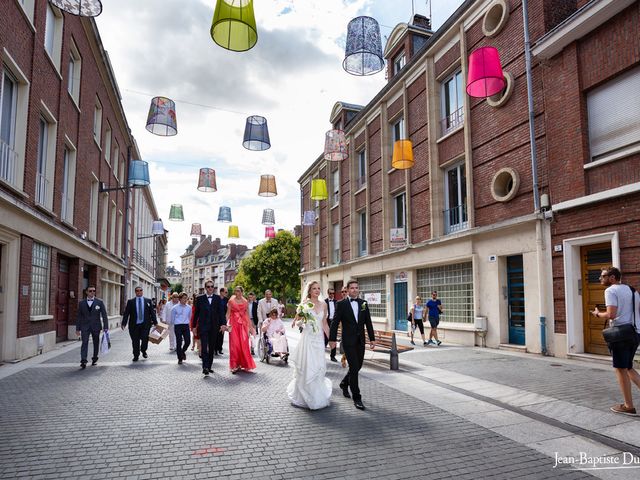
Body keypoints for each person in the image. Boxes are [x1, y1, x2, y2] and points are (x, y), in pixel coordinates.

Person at [592, 267, 640, 415]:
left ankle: (628, 406)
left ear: (612, 277)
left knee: (621, 369)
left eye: (602, 276)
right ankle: (628, 404)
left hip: (621, 336)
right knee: (629, 367)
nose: (600, 279)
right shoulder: (633, 290)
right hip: (635, 332)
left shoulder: (610, 291)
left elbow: (611, 314)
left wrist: (598, 314)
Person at [329, 279, 375, 410]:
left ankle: (344, 383)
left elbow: (368, 322)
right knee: (354, 368)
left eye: (356, 287)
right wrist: (332, 339)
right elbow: (335, 322)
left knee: (357, 367)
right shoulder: (341, 304)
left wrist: (372, 339)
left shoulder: (363, 303)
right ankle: (357, 398)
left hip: (360, 341)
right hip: (348, 342)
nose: (355, 290)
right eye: (352, 288)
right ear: (348, 290)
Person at [287, 281, 332, 410]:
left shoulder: (324, 304)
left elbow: (324, 323)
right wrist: (301, 322)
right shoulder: (304, 305)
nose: (317, 290)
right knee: (308, 366)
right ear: (310, 291)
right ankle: (305, 396)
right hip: (308, 339)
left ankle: (317, 395)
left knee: (318, 366)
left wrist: (331, 339)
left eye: (319, 288)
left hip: (318, 340)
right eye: (314, 288)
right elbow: (298, 321)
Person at [193, 281, 226, 375]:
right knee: (204, 347)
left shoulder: (218, 298)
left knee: (212, 347)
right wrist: (194, 326)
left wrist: (223, 324)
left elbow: (221, 313)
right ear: (205, 288)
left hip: (214, 327)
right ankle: (205, 367)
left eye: (212, 287)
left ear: (214, 288)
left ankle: (209, 366)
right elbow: (196, 314)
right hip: (203, 326)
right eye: (208, 287)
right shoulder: (200, 299)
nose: (210, 288)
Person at [75, 286, 109, 369]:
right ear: (86, 292)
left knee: (96, 342)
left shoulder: (99, 302)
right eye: (90, 291)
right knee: (84, 342)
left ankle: (94, 358)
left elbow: (104, 315)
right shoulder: (81, 303)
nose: (92, 292)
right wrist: (77, 329)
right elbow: (79, 316)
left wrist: (106, 327)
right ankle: (83, 360)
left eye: (94, 291)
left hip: (96, 326)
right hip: (84, 326)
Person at [121, 286, 157, 361]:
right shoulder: (131, 302)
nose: (139, 292)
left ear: (142, 291)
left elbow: (152, 313)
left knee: (145, 339)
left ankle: (143, 350)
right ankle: (136, 355)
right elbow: (126, 313)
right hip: (134, 325)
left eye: (140, 290)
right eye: (137, 291)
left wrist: (156, 323)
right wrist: (124, 323)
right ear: (135, 292)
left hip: (145, 325)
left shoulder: (148, 301)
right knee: (135, 341)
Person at [227, 286, 256, 373]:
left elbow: (247, 315)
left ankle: (242, 364)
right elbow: (228, 313)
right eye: (235, 291)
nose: (237, 293)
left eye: (239, 291)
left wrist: (250, 327)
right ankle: (234, 365)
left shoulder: (245, 302)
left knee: (243, 344)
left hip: (243, 325)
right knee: (234, 344)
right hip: (233, 324)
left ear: (242, 292)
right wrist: (224, 324)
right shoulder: (231, 301)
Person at [171, 292, 192, 365]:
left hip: (185, 325)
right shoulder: (174, 308)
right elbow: (172, 319)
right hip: (178, 326)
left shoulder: (189, 307)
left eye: (186, 298)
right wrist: (175, 324)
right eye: (183, 298)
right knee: (179, 342)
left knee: (188, 341)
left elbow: (190, 317)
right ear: (179, 299)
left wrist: (189, 325)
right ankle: (180, 358)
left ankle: (183, 351)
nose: (185, 300)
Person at [325, 288, 338, 362]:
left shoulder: (337, 302)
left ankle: (333, 356)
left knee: (333, 339)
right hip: (326, 322)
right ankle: (320, 355)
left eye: (333, 293)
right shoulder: (324, 302)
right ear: (328, 293)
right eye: (330, 293)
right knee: (325, 339)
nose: (332, 295)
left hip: (334, 322)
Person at [217, 287, 229, 355]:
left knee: (222, 333)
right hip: (216, 319)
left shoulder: (227, 300)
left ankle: (220, 349)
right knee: (216, 334)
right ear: (221, 292)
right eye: (226, 292)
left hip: (223, 318)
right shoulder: (216, 299)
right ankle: (215, 349)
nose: (226, 294)